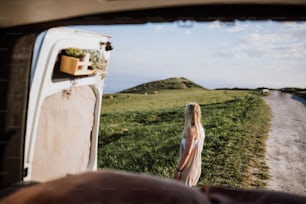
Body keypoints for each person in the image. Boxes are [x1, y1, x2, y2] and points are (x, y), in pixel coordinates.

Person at [173, 102, 205, 187]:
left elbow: (187, 152)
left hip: (187, 169)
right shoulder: (200, 129)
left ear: (188, 114)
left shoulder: (191, 130)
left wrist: (178, 170)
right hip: (195, 166)